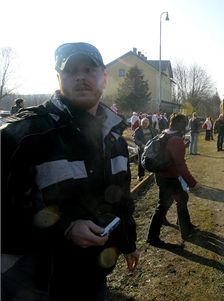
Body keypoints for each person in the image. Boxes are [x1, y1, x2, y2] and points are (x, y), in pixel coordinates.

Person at [1, 42, 139, 301]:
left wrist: (128, 243)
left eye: (89, 69)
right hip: (36, 286)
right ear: (58, 78)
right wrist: (65, 228)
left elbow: (121, 202)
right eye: (71, 71)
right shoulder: (23, 136)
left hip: (93, 278)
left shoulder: (115, 139)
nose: (81, 76)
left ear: (104, 78)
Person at [147, 113, 200, 247]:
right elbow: (180, 164)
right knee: (164, 205)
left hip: (161, 175)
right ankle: (153, 237)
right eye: (186, 123)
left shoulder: (165, 133)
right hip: (169, 177)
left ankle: (186, 228)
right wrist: (192, 183)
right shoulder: (176, 140)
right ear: (181, 125)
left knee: (181, 199)